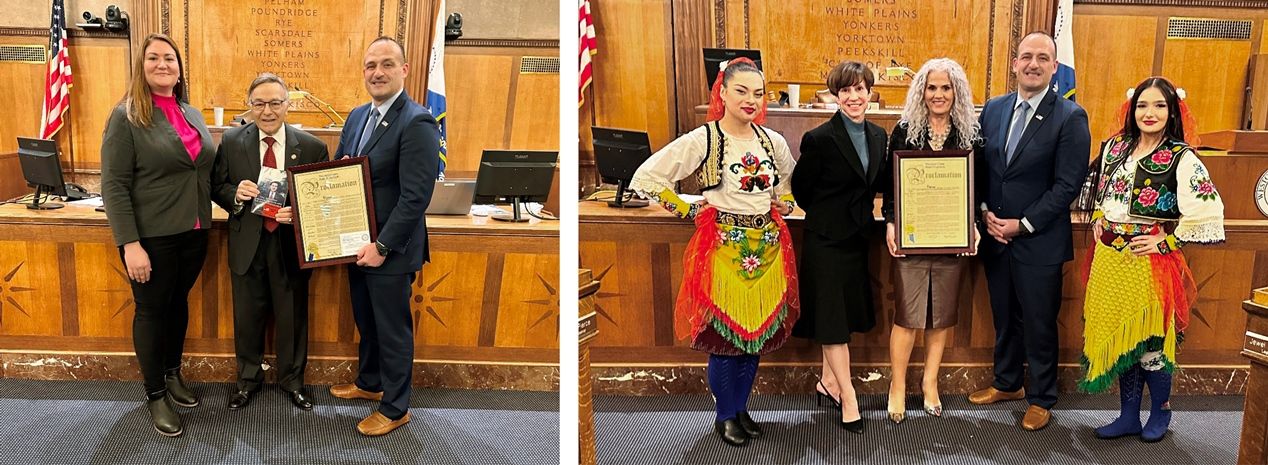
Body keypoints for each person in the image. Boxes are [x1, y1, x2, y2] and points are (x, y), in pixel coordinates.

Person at [629, 57, 797, 448]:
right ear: (722, 92)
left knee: (754, 338)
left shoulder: (773, 142)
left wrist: (785, 201)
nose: (750, 100)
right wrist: (685, 208)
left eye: (758, 93)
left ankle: (741, 408)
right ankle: (724, 415)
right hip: (724, 252)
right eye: (741, 91)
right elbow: (647, 177)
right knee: (726, 340)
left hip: (767, 251)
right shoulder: (703, 140)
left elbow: (788, 183)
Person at [1080, 77, 1224, 442]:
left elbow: (1207, 211)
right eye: (1143, 105)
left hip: (1148, 264)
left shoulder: (1181, 157)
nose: (1150, 113)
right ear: (1132, 109)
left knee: (1151, 342)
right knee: (1126, 341)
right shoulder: (1115, 148)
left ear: (1172, 111)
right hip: (1109, 261)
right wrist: (1098, 218)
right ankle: (1128, 415)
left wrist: (1166, 241)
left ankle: (1160, 411)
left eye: (1159, 105)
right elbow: (1100, 192)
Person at [968, 32, 1091, 431]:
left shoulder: (1070, 117)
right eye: (1026, 57)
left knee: (1039, 322)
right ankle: (1008, 383)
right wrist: (984, 212)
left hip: (1039, 241)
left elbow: (1067, 185)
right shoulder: (994, 109)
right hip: (995, 237)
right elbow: (982, 169)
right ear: (1015, 64)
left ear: (1054, 67)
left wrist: (1022, 224)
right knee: (1004, 317)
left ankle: (1041, 397)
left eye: (1042, 58)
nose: (1033, 64)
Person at [99, 33, 216, 437]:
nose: (162, 64)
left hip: (195, 232)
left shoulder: (191, 112)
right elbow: (114, 185)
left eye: (169, 58)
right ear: (142, 66)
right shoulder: (127, 115)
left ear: (179, 69)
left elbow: (203, 172)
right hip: (151, 238)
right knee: (151, 311)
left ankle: (172, 373)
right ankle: (155, 394)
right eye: (153, 58)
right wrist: (130, 244)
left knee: (177, 303)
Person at [327, 36, 440, 437]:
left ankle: (395, 408)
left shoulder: (417, 121)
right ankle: (371, 382)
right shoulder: (358, 116)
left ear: (404, 70)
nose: (377, 72)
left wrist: (382, 246)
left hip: (389, 249)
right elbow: (341, 169)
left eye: (387, 64)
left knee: (392, 330)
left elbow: (415, 197)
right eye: (371, 65)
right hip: (356, 243)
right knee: (367, 320)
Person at [211, 73, 330, 412]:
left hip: (289, 245)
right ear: (249, 106)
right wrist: (235, 194)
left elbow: (323, 201)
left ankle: (293, 382)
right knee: (247, 317)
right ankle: (247, 381)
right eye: (259, 103)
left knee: (292, 317)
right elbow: (217, 186)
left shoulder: (312, 147)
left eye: (275, 103)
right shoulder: (232, 141)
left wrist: (300, 213)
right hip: (247, 244)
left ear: (287, 105)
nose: (267, 111)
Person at [880, 58, 982, 424]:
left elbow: (977, 187)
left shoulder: (971, 134)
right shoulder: (905, 131)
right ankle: (897, 386)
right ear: (921, 91)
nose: (939, 94)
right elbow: (891, 185)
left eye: (946, 87)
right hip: (913, 237)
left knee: (941, 316)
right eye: (932, 87)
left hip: (951, 238)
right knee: (908, 316)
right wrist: (891, 222)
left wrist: (972, 224)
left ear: (957, 92)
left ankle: (930, 383)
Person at [790, 61, 887, 434]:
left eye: (860, 89)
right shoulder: (820, 138)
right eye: (846, 90)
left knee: (842, 317)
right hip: (827, 240)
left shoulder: (879, 135)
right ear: (836, 95)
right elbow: (802, 190)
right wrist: (831, 213)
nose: (853, 97)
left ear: (869, 93)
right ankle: (848, 396)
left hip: (858, 239)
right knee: (832, 323)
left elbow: (878, 182)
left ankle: (827, 381)